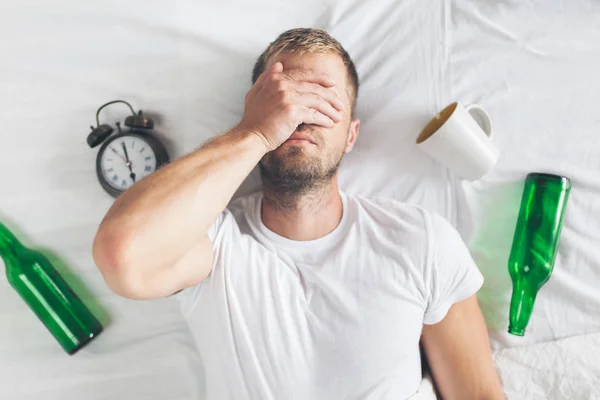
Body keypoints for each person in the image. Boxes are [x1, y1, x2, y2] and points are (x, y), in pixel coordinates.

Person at [92, 28, 504, 399]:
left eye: (324, 100)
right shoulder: (215, 244)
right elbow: (122, 254)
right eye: (283, 97)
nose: (302, 115)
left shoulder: (420, 241)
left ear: (351, 136)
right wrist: (252, 134)